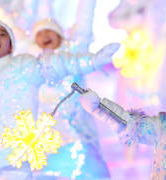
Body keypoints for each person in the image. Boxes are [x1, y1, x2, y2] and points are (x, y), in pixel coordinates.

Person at [0, 20, 118, 180]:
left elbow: (59, 64)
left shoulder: (24, 67)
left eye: (2, 34)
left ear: (11, 45)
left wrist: (93, 61)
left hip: (16, 161)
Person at [31, 19, 111, 180]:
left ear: (59, 35)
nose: (44, 36)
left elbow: (84, 21)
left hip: (77, 135)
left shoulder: (72, 54)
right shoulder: (32, 63)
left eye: (49, 31)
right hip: (46, 142)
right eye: (39, 34)